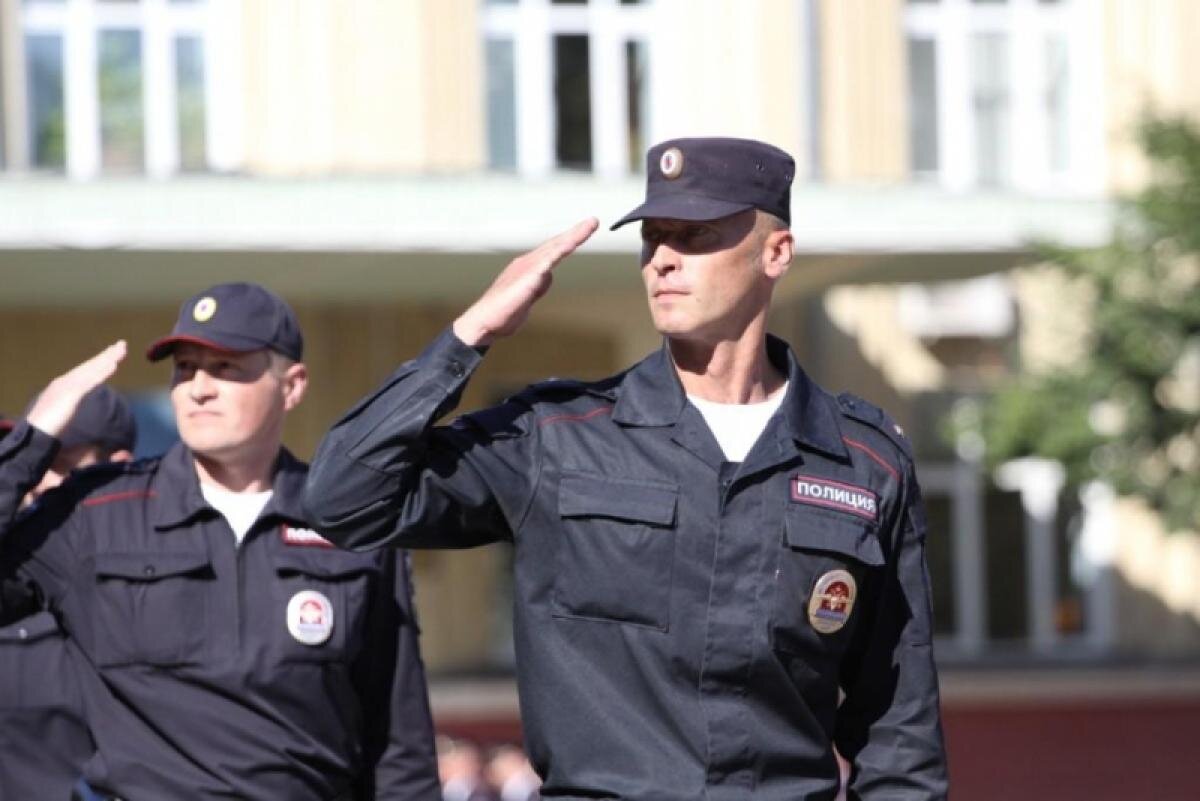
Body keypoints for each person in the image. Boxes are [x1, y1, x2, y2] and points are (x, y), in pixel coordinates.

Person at [305, 138, 949, 799]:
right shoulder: (558, 438)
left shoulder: (863, 463)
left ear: (775, 252)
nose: (663, 259)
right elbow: (344, 497)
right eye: (653, 238)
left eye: (695, 236)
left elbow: (899, 732)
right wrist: (470, 334)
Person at [0, 283, 441, 800]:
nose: (198, 388)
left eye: (225, 368)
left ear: (292, 385)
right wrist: (30, 441)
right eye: (184, 369)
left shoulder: (351, 524)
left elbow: (399, 743)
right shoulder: (96, 515)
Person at [0, 382, 135, 801]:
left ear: (116, 468)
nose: (35, 482)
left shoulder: (142, 598)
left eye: (54, 461)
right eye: (27, 460)